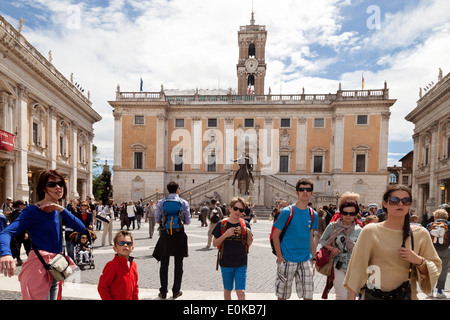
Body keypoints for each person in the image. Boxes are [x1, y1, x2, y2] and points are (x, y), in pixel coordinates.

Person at [343, 185, 442, 300]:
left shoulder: (421, 233)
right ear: (385, 204)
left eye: (406, 201)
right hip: (374, 295)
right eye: (395, 201)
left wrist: (418, 261)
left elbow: (435, 267)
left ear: (409, 205)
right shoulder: (370, 231)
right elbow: (357, 267)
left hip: (408, 296)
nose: (400, 204)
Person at [0, 169, 86, 300]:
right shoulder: (33, 211)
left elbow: (81, 228)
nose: (58, 187)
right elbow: (6, 232)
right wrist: (5, 253)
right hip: (38, 269)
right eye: (52, 184)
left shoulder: (58, 211)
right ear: (43, 188)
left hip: (56, 268)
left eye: (61, 183)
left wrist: (61, 209)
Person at [272, 178, 319, 300]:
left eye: (308, 189)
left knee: (308, 296)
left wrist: (314, 259)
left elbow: (311, 237)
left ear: (311, 193)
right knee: (282, 296)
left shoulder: (314, 214)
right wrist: (280, 258)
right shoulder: (287, 212)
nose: (305, 192)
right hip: (287, 258)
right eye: (301, 189)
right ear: (297, 192)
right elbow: (275, 235)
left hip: (305, 260)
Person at [152, 181, 191, 299]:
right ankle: (176, 291)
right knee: (178, 264)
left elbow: (157, 220)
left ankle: (163, 291)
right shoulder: (183, 202)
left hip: (165, 234)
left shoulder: (162, 202)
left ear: (168, 190)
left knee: (164, 264)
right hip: (179, 234)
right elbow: (188, 221)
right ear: (178, 190)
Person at [319, 199, 362, 299]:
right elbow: (322, 240)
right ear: (341, 213)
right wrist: (331, 248)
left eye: (351, 213)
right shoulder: (333, 226)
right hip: (337, 264)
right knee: (341, 294)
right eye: (345, 213)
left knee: (351, 295)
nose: (348, 216)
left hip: (354, 267)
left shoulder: (360, 230)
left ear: (356, 214)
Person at [213, 197, 253, 300]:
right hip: (226, 262)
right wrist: (225, 235)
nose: (238, 212)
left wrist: (246, 231)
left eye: (241, 210)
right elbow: (214, 243)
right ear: (230, 209)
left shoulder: (245, 224)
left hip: (241, 262)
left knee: (241, 292)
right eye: (235, 208)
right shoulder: (221, 224)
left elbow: (249, 242)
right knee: (227, 291)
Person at [98, 230, 138, 300]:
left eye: (128, 243)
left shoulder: (133, 265)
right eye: (121, 243)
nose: (125, 245)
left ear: (132, 248)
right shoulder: (111, 265)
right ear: (115, 248)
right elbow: (102, 287)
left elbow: (135, 287)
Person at [427, 208, 450, 298]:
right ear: (447, 216)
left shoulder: (430, 225)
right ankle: (439, 291)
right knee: (443, 270)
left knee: (431, 269)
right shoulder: (449, 224)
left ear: (435, 216)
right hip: (445, 250)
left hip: (432, 250)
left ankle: (430, 290)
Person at [9, 200, 30, 266]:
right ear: (20, 205)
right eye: (24, 205)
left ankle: (19, 260)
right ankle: (30, 260)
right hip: (23, 233)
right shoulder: (20, 212)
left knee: (18, 246)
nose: (25, 206)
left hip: (17, 233)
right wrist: (26, 232)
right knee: (28, 247)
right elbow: (22, 223)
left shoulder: (13, 213)